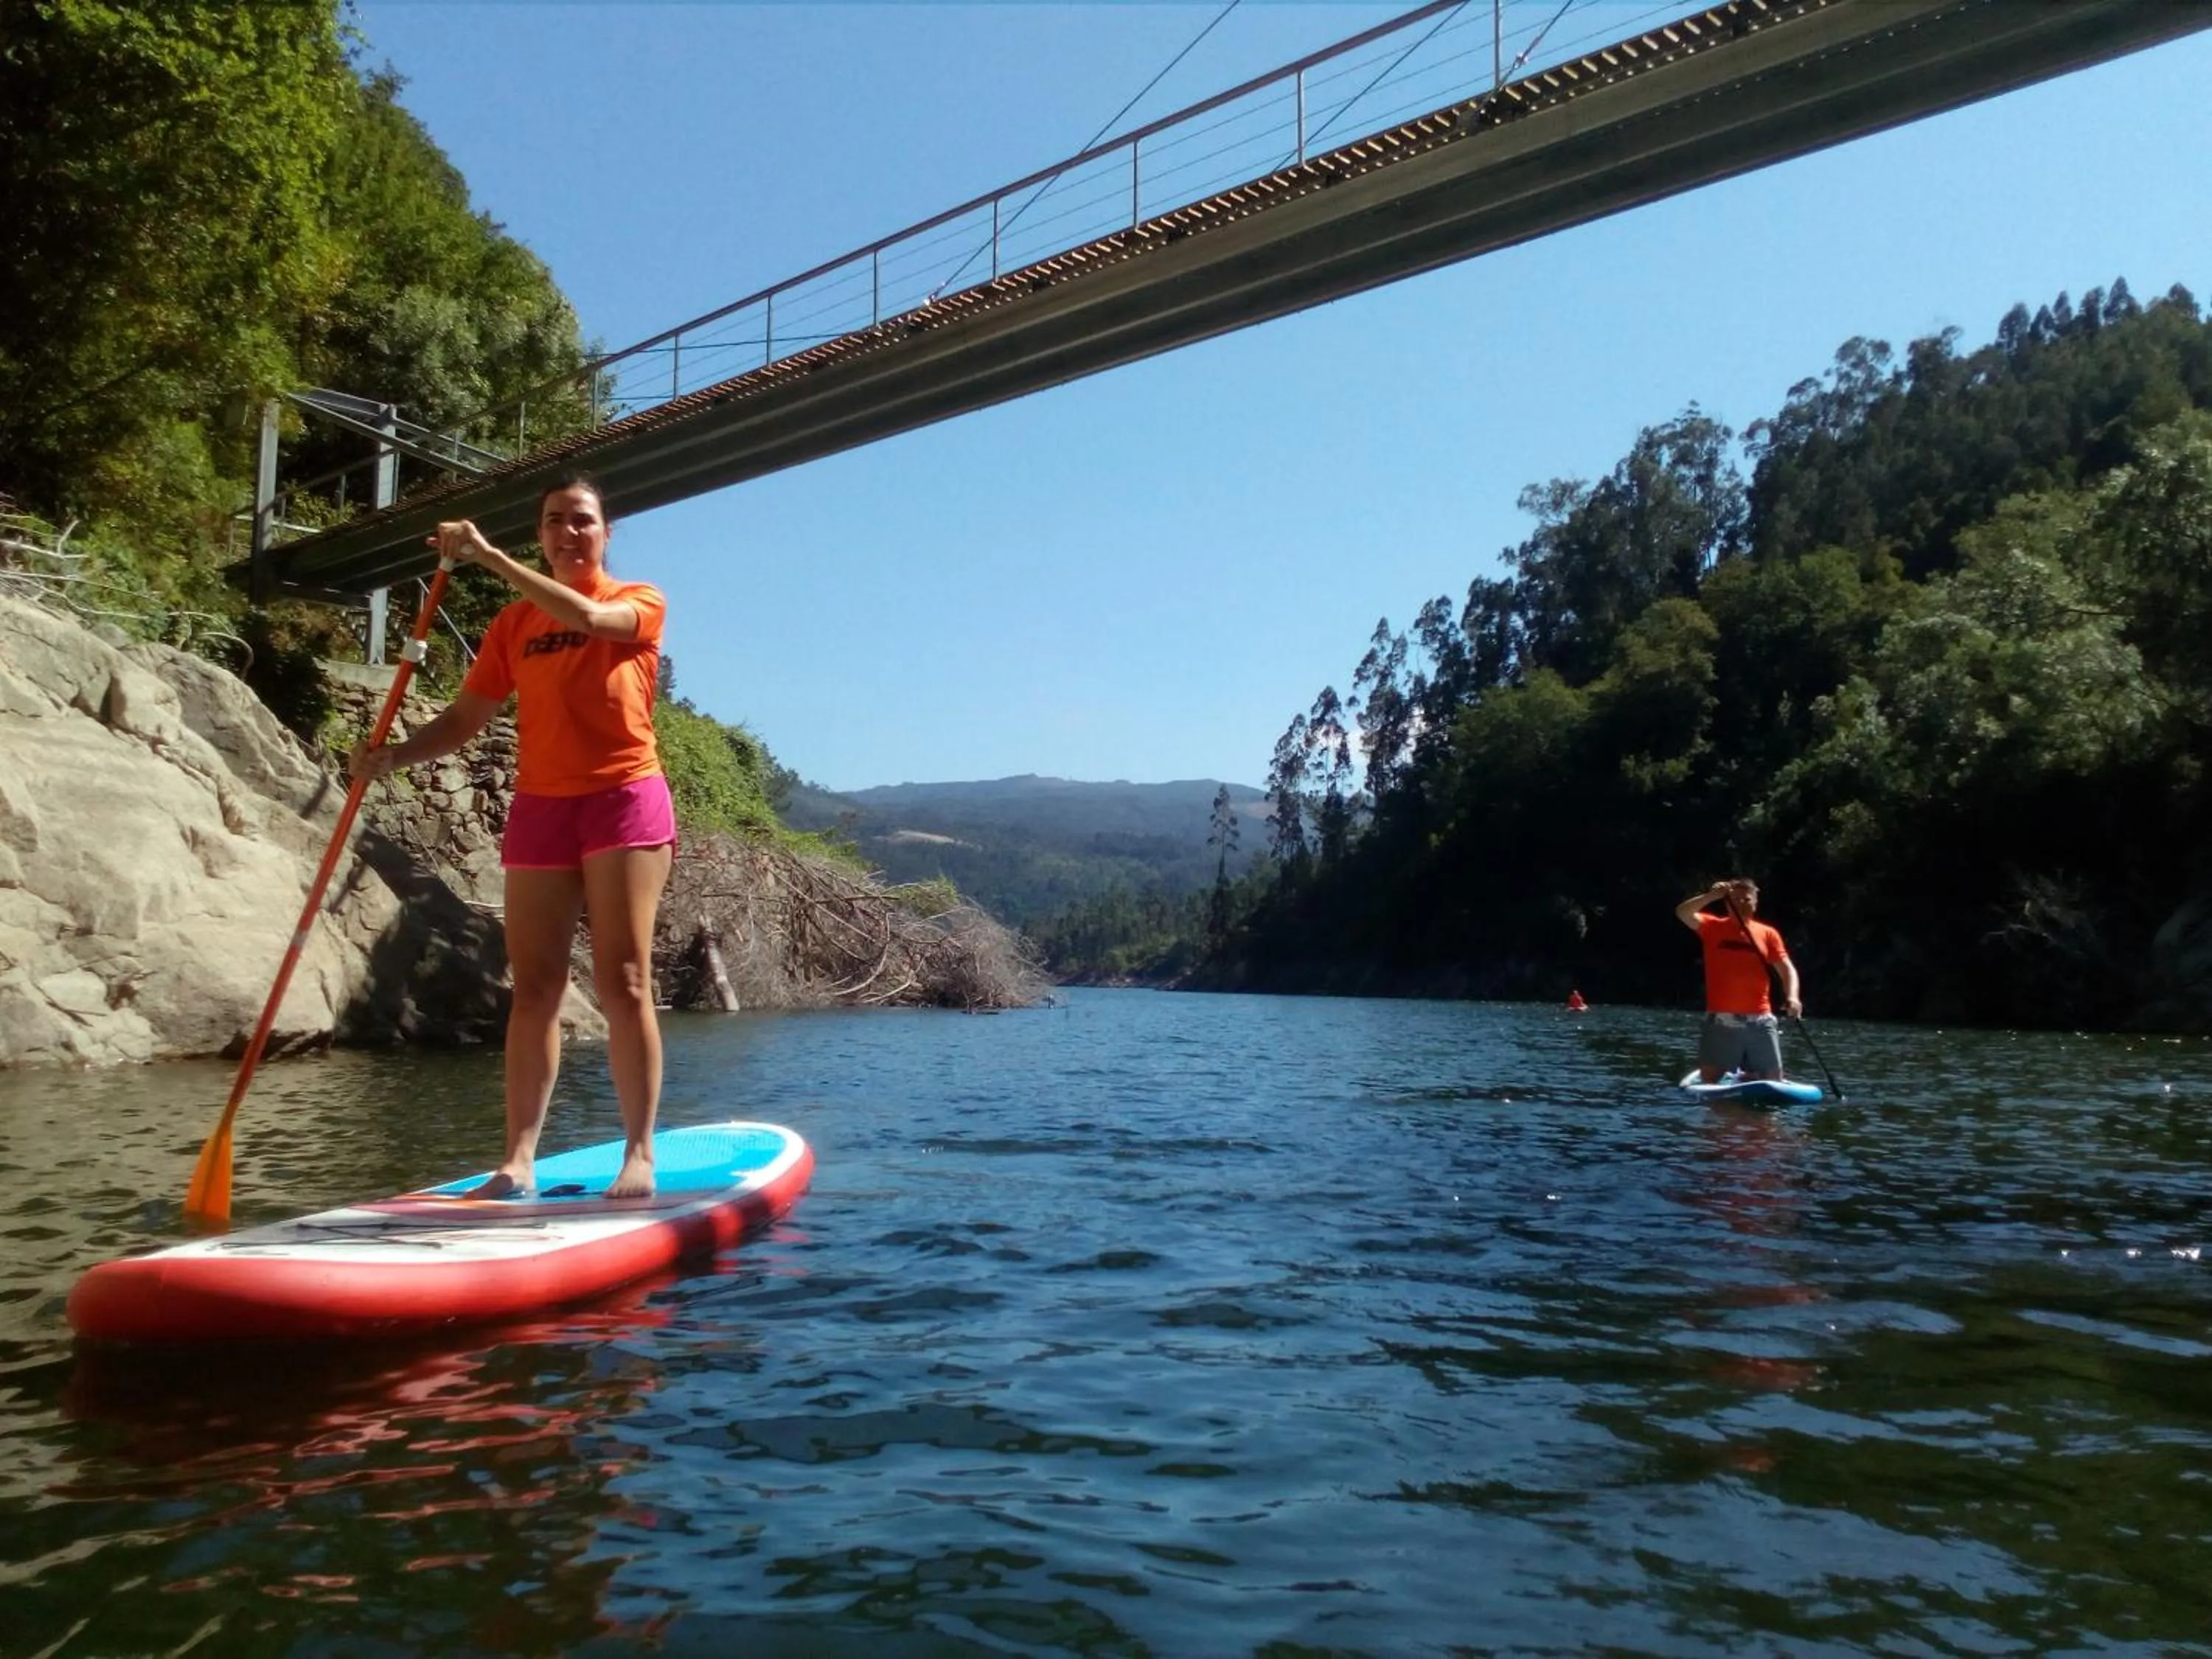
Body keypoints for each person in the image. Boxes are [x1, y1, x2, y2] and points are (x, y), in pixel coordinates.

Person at [352, 476, 673, 1199]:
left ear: (606, 533)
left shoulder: (640, 600)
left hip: (623, 798)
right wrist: (392, 757)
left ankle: (639, 1154)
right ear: (541, 534)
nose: (569, 532)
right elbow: (465, 719)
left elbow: (589, 617)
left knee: (624, 980)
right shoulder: (512, 626)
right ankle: (517, 1160)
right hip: (542, 807)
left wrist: (491, 557)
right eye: (555, 521)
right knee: (534, 988)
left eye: (582, 520)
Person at [1674, 879, 1801, 1083]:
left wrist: (1793, 997)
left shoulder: (1768, 934)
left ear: (1755, 903)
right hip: (1721, 1020)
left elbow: (1787, 968)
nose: (1741, 903)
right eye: (1735, 899)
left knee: (1772, 1079)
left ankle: (1749, 1076)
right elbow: (1683, 913)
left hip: (1760, 1019)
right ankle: (1737, 1078)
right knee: (1711, 1080)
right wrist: (1711, 896)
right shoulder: (1711, 926)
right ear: (1727, 903)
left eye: (1746, 899)